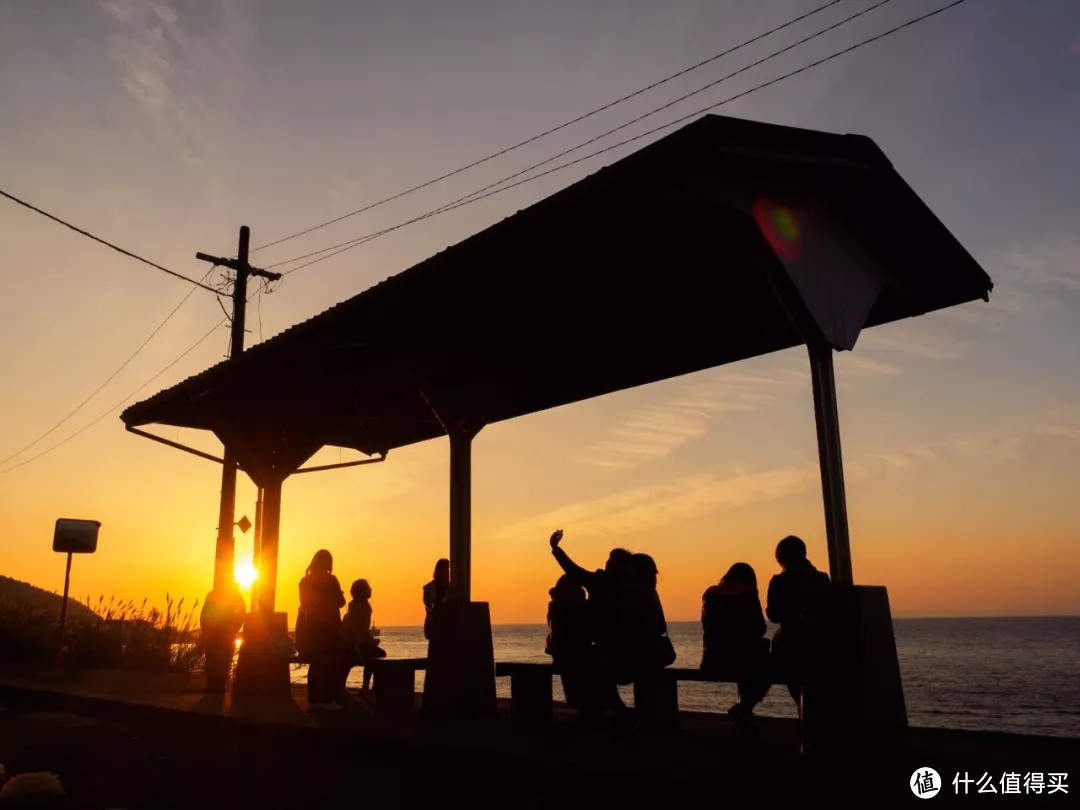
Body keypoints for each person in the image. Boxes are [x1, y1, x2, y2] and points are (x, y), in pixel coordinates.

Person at [549, 529, 632, 720]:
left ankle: (599, 713)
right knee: (595, 674)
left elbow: (573, 570)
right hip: (604, 646)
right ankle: (603, 713)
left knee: (594, 672)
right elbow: (573, 570)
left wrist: (556, 549)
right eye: (609, 560)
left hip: (609, 647)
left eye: (612, 561)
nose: (608, 563)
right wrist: (556, 549)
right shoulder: (605, 583)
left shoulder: (612, 585)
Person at [766, 535, 831, 712]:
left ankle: (804, 711)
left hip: (790, 645)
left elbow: (773, 615)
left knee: (785, 670)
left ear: (781, 558)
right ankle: (810, 713)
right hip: (820, 643)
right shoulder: (822, 578)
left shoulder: (779, 581)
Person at [701, 562, 770, 728]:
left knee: (746, 659)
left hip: (713, 660)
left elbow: (707, 626)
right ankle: (744, 709)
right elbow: (760, 627)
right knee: (766, 665)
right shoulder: (748, 594)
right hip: (744, 660)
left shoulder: (710, 594)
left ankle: (744, 711)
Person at [545, 574, 599, 724]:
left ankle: (582, 707)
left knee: (573, 682)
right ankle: (589, 709)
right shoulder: (582, 606)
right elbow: (590, 633)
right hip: (578, 653)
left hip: (560, 653)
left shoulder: (554, 605)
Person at [298, 549, 346, 710]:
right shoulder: (331, 580)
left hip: (313, 627)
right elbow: (340, 602)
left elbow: (304, 606)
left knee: (316, 663)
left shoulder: (304, 582)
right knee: (330, 663)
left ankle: (314, 700)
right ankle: (327, 700)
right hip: (331, 626)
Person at [199, 583, 246, 693]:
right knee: (218, 663)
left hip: (222, 635)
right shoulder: (234, 596)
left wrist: (233, 629)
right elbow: (241, 614)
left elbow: (241, 614)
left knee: (219, 663)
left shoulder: (234, 596)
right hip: (219, 635)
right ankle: (216, 688)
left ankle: (215, 688)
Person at [342, 578, 386, 691]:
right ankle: (369, 686)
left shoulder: (354, 608)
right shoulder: (362, 609)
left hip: (350, 645)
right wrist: (371, 642)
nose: (371, 590)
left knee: (375, 653)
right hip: (354, 646)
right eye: (368, 588)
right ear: (363, 592)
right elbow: (361, 631)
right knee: (379, 655)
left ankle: (366, 686)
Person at [422, 558, 451, 640]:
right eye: (445, 570)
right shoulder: (429, 588)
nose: (447, 572)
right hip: (435, 625)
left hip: (449, 626)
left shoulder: (451, 587)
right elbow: (429, 605)